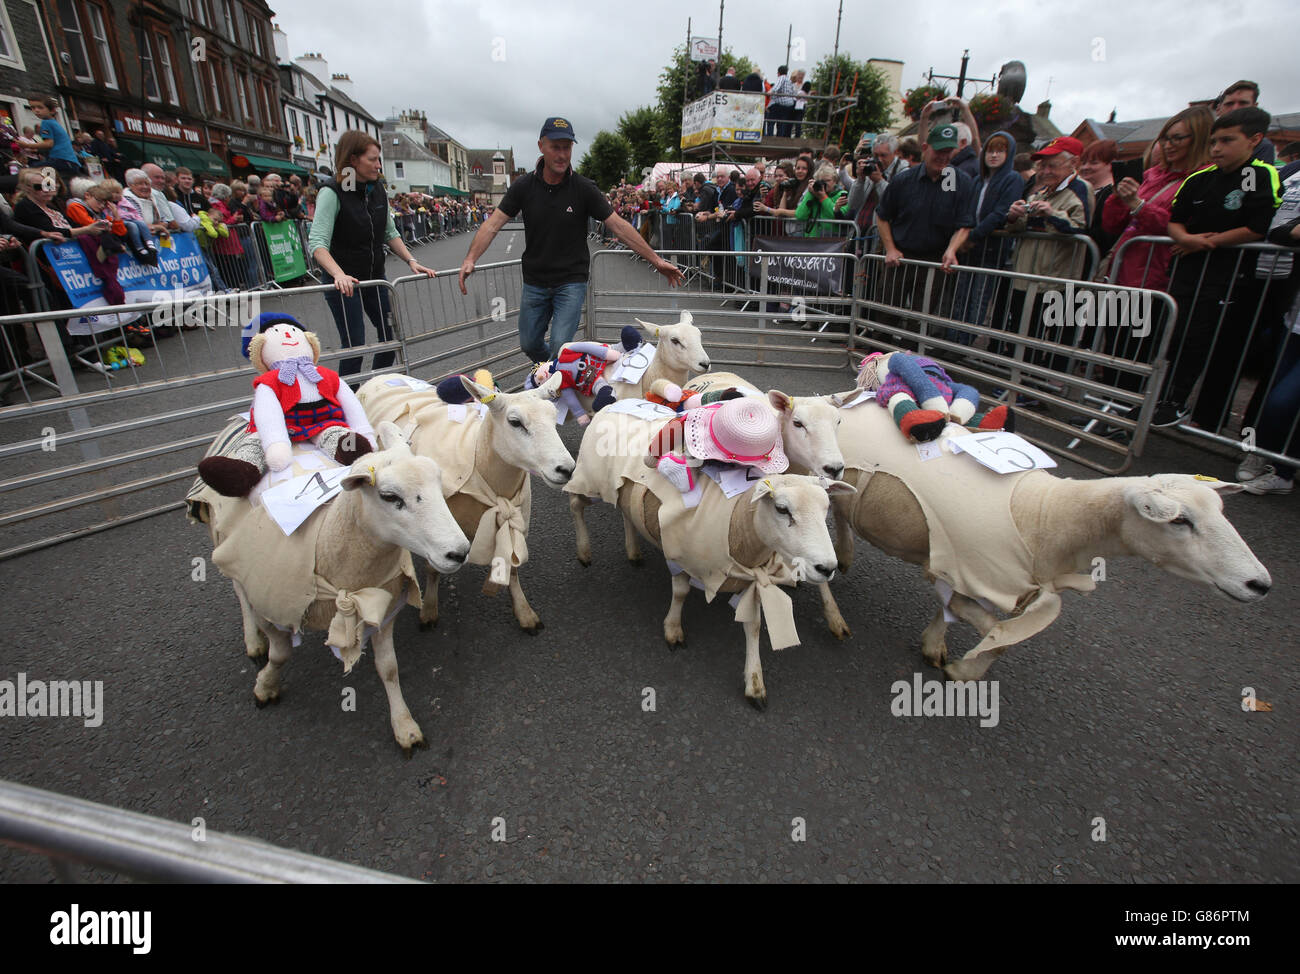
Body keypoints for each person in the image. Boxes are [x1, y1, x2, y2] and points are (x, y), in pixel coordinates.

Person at [459, 118, 682, 362]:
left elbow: (618, 225)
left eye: (567, 147)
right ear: (541, 146)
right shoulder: (523, 186)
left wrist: (656, 260)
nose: (562, 154)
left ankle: (557, 384)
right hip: (535, 281)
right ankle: (559, 374)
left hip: (571, 282)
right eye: (556, 147)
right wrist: (471, 258)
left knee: (559, 347)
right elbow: (492, 224)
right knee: (530, 343)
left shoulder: (583, 188)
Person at [1151, 107, 1282, 428]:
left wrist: (1211, 241)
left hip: (1229, 276)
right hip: (1187, 271)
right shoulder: (1200, 177)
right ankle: (1157, 396)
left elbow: (1258, 226)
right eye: (1213, 142)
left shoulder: (1259, 175)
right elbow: (1176, 222)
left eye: (1226, 141)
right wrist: (1188, 238)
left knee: (1201, 338)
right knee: (1172, 333)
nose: (1217, 149)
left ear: (1254, 140)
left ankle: (1180, 401)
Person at [307, 129, 437, 378]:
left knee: (390, 335)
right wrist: (338, 275)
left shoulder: (376, 189)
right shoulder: (332, 191)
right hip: (344, 284)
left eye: (379, 159)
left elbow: (389, 232)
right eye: (372, 159)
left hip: (375, 278)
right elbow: (318, 243)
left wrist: (411, 260)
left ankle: (373, 389)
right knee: (355, 345)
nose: (379, 165)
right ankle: (348, 399)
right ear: (353, 159)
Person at [874, 123, 977, 333]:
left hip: (935, 261)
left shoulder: (960, 182)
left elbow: (965, 223)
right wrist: (890, 248)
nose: (943, 157)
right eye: (939, 151)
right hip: (902, 258)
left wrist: (952, 249)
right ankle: (878, 360)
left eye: (948, 152)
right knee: (886, 313)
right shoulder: (904, 180)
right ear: (925, 148)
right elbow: (882, 216)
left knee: (920, 319)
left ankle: (913, 362)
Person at [952, 131, 1022, 340]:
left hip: (990, 251)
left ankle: (965, 341)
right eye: (990, 151)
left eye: (1000, 151)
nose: (993, 156)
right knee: (961, 296)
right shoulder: (978, 181)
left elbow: (1000, 213)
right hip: (970, 250)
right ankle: (952, 337)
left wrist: (972, 236)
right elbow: (967, 210)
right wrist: (964, 235)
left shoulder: (1012, 179)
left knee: (978, 298)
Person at [1077, 139, 1120, 258]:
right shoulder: (1079, 191)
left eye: (1094, 163)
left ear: (1111, 164)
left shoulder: (1113, 194)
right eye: (1084, 162)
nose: (1086, 167)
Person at [1214, 80, 1275, 163]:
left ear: (1254, 107)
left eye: (1243, 103)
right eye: (1229, 104)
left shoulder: (1262, 146)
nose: (1235, 108)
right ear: (1218, 109)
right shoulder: (1201, 137)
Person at [24, 95, 81, 178]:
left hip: (60, 161)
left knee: (28, 172)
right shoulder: (54, 122)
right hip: (70, 163)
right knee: (53, 184)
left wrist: (27, 145)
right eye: (33, 108)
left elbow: (49, 144)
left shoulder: (46, 122)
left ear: (52, 111)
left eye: (40, 107)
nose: (36, 110)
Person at [766, 66, 798, 138]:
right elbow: (793, 94)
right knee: (781, 124)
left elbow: (776, 87)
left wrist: (768, 92)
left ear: (779, 73)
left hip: (780, 103)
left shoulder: (782, 78)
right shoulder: (789, 81)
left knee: (771, 121)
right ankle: (779, 139)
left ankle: (769, 138)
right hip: (788, 105)